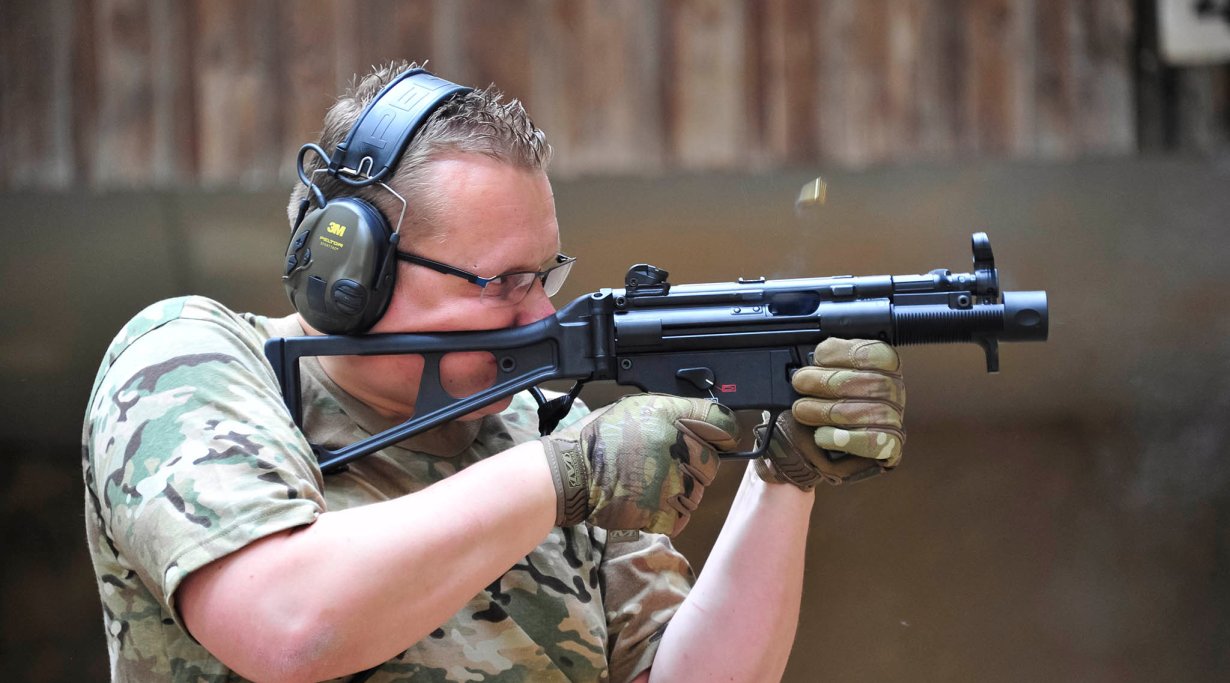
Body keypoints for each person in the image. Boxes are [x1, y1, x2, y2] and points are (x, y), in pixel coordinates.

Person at [82, 61, 906, 682]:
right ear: (353, 271)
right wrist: (562, 476)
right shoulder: (195, 360)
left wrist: (783, 473)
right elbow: (287, 622)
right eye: (503, 281)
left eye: (545, 274)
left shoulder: (555, 433)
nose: (541, 313)